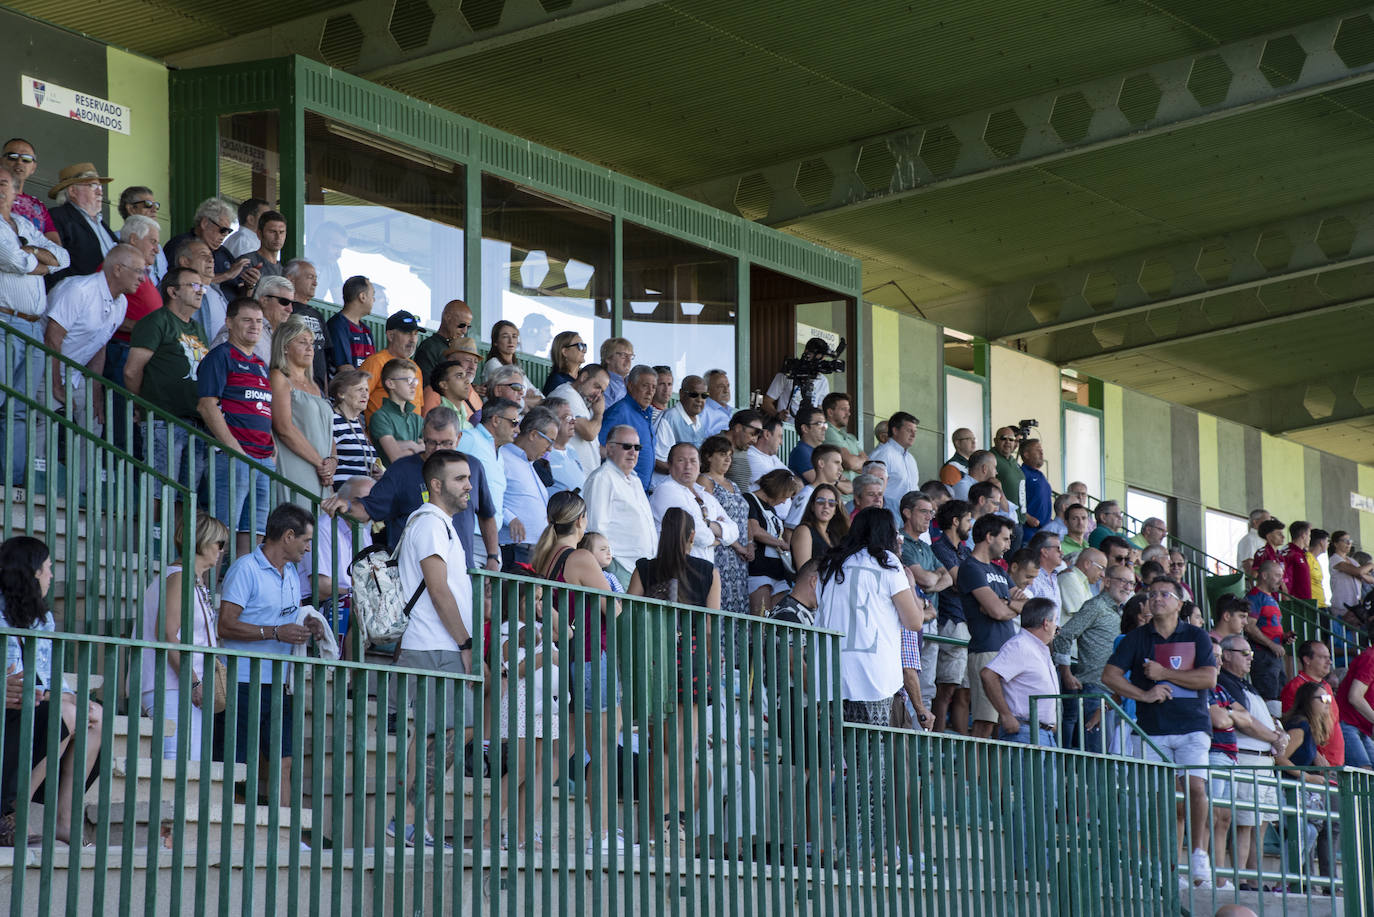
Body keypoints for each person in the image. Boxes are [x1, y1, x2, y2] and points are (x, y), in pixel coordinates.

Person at [1102, 576, 1219, 889]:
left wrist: (1164, 673)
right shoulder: (1137, 637)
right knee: (1159, 800)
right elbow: (1109, 676)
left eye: (1164, 594)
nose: (1156, 599)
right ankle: (1165, 866)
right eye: (1151, 594)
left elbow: (1208, 678)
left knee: (1195, 787)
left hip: (1193, 725)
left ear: (1179, 603)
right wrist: (1144, 695)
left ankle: (1198, 854)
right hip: (1151, 729)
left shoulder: (1197, 635)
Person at [532, 491, 624, 853]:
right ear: (581, 520)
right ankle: (600, 836)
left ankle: (517, 829)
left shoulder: (546, 555)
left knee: (561, 752)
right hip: (589, 658)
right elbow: (612, 610)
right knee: (602, 749)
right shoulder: (581, 557)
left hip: (568, 659)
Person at [392, 451, 475, 847]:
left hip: (437, 644)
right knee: (437, 734)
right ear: (437, 485)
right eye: (460, 479)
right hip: (433, 644)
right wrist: (465, 642)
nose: (469, 486)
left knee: (448, 731)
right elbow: (438, 589)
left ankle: (411, 819)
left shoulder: (441, 525)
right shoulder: (428, 523)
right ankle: (407, 820)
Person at [216, 504, 325, 801]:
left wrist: (308, 622)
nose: (308, 548)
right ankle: (233, 834)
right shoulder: (245, 569)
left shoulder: (291, 571)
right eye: (306, 540)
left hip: (281, 682)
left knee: (284, 761)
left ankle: (286, 837)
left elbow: (285, 617)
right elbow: (225, 625)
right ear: (289, 536)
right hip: (241, 682)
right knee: (236, 763)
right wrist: (275, 632)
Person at [0, 535, 103, 846]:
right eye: (47, 568)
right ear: (31, 573)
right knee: (66, 712)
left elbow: (47, 677)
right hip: (8, 709)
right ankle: (12, 814)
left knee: (92, 713)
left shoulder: (40, 617)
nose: (51, 575)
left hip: (27, 704)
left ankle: (64, 821)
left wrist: (67, 694)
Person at [627, 507, 720, 842]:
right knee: (682, 747)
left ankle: (657, 825)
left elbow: (630, 617)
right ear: (692, 536)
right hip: (692, 661)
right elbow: (710, 627)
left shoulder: (644, 569)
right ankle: (673, 820)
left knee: (661, 748)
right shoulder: (708, 571)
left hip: (654, 661)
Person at [324, 406, 498, 570]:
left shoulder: (473, 467)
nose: (438, 450)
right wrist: (346, 505)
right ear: (423, 436)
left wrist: (492, 557)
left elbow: (487, 514)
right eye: (431, 443)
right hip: (411, 574)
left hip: (461, 569)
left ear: (459, 438)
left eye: (446, 443)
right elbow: (368, 508)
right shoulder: (402, 470)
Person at [816, 505, 927, 726]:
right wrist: (912, 585)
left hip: (829, 672)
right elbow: (914, 622)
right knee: (871, 756)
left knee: (837, 754)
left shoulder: (830, 562)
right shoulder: (887, 561)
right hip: (873, 674)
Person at [139, 512, 229, 759]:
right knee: (179, 765)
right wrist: (194, 682)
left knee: (190, 766)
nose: (222, 550)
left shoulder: (190, 578)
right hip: (171, 686)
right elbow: (167, 634)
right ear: (203, 541)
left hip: (182, 686)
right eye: (220, 544)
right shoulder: (179, 577)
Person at [0, 167, 68, 483]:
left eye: (4, 184)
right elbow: (15, 260)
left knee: (20, 409)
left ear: (16, 192)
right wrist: (40, 263)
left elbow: (63, 257)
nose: (1, 189)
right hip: (3, 323)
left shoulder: (24, 223)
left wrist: (33, 254)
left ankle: (10, 479)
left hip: (31, 328)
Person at [197, 297, 276, 555]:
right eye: (247, 320)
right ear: (229, 322)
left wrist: (271, 447)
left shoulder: (262, 365)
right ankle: (206, 591)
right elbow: (207, 405)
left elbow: (263, 408)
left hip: (263, 458)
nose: (254, 326)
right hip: (235, 455)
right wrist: (233, 448)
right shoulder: (220, 356)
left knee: (254, 532)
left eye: (259, 322)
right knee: (222, 530)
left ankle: (237, 592)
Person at [42, 244, 144, 435]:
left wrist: (95, 394)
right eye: (138, 271)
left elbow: (100, 346)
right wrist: (55, 385)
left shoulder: (121, 303)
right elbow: (52, 339)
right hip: (44, 371)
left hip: (75, 375)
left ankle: (84, 467)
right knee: (45, 427)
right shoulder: (79, 290)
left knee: (93, 423)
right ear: (118, 269)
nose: (143, 278)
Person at [1216, 633, 1289, 890]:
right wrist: (1274, 737)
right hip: (1248, 757)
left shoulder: (1245, 683)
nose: (1251, 659)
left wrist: (1277, 733)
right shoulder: (1226, 681)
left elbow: (1259, 716)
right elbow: (1243, 720)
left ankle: (1255, 880)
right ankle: (1243, 881)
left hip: (1264, 760)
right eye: (1245, 653)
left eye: (1251, 654)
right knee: (1245, 824)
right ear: (1226, 656)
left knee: (1259, 824)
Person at [125, 267, 211, 486]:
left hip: (196, 422)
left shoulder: (198, 329)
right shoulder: (156, 321)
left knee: (187, 494)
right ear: (173, 292)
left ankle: (178, 523)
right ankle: (154, 523)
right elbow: (132, 371)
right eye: (193, 285)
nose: (200, 291)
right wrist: (140, 405)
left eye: (202, 286)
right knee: (159, 488)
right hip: (164, 420)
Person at [1055, 563, 1132, 751]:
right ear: (1106, 581)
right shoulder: (1095, 606)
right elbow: (1064, 635)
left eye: (1131, 583)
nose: (1128, 587)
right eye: (1123, 581)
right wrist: (1066, 673)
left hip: (1116, 696)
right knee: (1097, 760)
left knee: (1109, 760)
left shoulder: (1123, 612)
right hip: (1095, 691)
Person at [961, 515, 1026, 738]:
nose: (1008, 545)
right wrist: (1006, 607)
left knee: (1002, 725)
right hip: (986, 649)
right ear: (989, 537)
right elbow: (997, 612)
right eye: (1005, 539)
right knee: (985, 722)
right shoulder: (971, 567)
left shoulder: (999, 572)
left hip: (1007, 650)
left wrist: (1005, 604)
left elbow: (1026, 605)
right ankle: (974, 773)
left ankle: (994, 774)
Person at [299, 476, 373, 648]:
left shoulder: (363, 531)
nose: (367, 507)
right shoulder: (323, 527)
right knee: (361, 608)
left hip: (348, 598)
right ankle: (348, 673)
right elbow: (322, 588)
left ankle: (351, 672)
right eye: (362, 501)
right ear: (344, 502)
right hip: (317, 602)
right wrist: (359, 594)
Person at [270, 317, 336, 507]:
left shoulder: (315, 385)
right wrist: (320, 464)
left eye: (312, 343)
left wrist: (332, 461)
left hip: (322, 471)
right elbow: (283, 427)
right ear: (284, 347)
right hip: (297, 464)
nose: (310, 348)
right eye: (302, 342)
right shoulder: (279, 377)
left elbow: (328, 431)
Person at [899, 492, 953, 718]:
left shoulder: (925, 546)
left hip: (930, 623)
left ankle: (923, 736)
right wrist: (933, 580)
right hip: (911, 623)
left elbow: (948, 577)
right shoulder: (901, 542)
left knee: (927, 685)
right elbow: (925, 579)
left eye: (931, 512)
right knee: (909, 682)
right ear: (907, 512)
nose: (929, 517)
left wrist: (932, 583)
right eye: (924, 511)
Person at [983, 597, 1060, 746]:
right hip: (1024, 732)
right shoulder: (1019, 645)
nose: (1057, 627)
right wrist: (1006, 715)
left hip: (1042, 733)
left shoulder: (1037, 647)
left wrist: (1050, 721)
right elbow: (988, 674)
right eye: (1055, 621)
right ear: (1046, 623)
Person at [650, 442, 739, 563]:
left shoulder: (706, 496)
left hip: (704, 569)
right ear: (670, 465)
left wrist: (707, 524)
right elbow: (696, 532)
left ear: (700, 465)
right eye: (681, 460)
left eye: (693, 461)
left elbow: (734, 531)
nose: (688, 466)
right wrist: (717, 538)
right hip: (675, 569)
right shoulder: (666, 490)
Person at [458, 397, 519, 562]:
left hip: (489, 539)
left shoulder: (498, 451)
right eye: (514, 422)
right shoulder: (470, 438)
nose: (517, 429)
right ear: (496, 420)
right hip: (469, 534)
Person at [697, 435, 752, 619]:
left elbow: (744, 518)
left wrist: (750, 545)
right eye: (722, 454)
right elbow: (709, 519)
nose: (728, 459)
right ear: (708, 456)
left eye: (730, 455)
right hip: (722, 552)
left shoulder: (734, 485)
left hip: (740, 558)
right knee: (721, 604)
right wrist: (738, 546)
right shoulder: (704, 481)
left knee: (739, 606)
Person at [930, 499, 972, 734]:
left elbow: (975, 581)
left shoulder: (965, 551)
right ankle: (935, 739)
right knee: (945, 689)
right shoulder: (940, 548)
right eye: (967, 520)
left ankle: (961, 742)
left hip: (966, 621)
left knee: (964, 691)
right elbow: (962, 581)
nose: (970, 525)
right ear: (955, 522)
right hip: (951, 621)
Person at [498, 407, 558, 566]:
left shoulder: (531, 464)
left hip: (535, 551)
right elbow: (489, 495)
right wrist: (510, 518)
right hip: (513, 548)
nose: (550, 448)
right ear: (533, 435)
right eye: (549, 441)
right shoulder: (502, 456)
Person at [46, 162, 118, 287]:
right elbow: (54, 265)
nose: (100, 192)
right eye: (93, 185)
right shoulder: (58, 217)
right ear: (73, 191)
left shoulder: (101, 224)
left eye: (100, 186)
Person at [162, 197, 249, 292]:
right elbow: (177, 285)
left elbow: (239, 289)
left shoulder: (224, 252)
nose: (225, 235)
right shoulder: (180, 245)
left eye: (229, 231)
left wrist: (250, 285)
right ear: (205, 223)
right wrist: (226, 276)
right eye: (223, 230)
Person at [744, 469, 800, 614]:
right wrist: (780, 543)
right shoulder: (750, 499)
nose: (784, 501)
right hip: (759, 571)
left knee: (779, 619)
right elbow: (755, 530)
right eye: (784, 497)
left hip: (778, 572)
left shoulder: (772, 509)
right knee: (761, 619)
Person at [1280, 640, 1343, 766]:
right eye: (1322, 657)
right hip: (1316, 765)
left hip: (1336, 759)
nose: (1329, 662)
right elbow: (1295, 725)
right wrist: (1316, 755)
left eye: (1329, 658)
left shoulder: (1326, 686)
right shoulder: (1295, 687)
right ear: (1307, 660)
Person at [599, 364, 657, 491]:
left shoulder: (646, 414)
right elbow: (599, 448)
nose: (650, 392)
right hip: (621, 490)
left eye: (653, 387)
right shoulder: (620, 411)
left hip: (640, 492)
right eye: (645, 386)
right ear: (630, 386)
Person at [360, 310, 424, 421]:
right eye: (407, 333)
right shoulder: (376, 362)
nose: (413, 339)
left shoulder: (416, 368)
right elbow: (355, 400)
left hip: (412, 436)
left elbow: (419, 407)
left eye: (415, 334)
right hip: (381, 434)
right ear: (390, 335)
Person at [549, 362, 608, 477]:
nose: (598, 395)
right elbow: (589, 433)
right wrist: (599, 414)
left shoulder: (582, 400)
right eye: (597, 387)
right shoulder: (566, 394)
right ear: (584, 377)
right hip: (568, 477)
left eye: (602, 391)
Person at [652, 374, 710, 489]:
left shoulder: (700, 422)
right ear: (682, 394)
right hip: (665, 488)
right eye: (694, 395)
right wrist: (686, 473)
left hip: (688, 488)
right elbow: (655, 460)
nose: (699, 400)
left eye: (704, 396)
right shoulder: (670, 418)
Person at [328, 367, 381, 486]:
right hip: (341, 496)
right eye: (359, 389)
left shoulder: (357, 423)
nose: (365, 395)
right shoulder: (332, 420)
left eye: (367, 390)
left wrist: (378, 472)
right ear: (341, 394)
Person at [368, 358, 424, 467]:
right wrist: (415, 445)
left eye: (415, 381)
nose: (414, 385)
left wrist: (405, 446)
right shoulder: (380, 417)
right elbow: (396, 458)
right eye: (408, 380)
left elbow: (429, 453)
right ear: (390, 383)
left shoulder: (417, 419)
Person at [1245, 560, 1287, 702]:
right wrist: (1271, 644)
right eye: (1277, 575)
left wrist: (1284, 637)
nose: (1281, 580)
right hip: (1263, 656)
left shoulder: (1272, 598)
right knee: (1269, 698)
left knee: (1279, 697)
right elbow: (1249, 626)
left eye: (1281, 576)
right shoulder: (1254, 597)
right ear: (1264, 575)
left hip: (1274, 655)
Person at [171, 237, 229, 342]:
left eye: (211, 256)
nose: (211, 259)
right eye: (203, 255)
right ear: (185, 261)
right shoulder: (181, 288)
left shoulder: (215, 289)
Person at [761, 337, 833, 420]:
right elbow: (766, 402)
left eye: (823, 358)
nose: (821, 361)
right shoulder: (787, 374)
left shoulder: (823, 381)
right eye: (819, 357)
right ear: (807, 353)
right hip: (787, 429)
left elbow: (821, 409)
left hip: (809, 431)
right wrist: (777, 415)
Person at [3, 139, 59, 244]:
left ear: (33, 168)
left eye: (26, 159)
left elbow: (56, 246)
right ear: (1, 162)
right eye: (12, 157)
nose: (19, 162)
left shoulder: (39, 206)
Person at [324, 275, 376, 373]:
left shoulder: (366, 331)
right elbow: (345, 369)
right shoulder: (337, 325)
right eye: (372, 295)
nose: (374, 300)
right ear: (362, 297)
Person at [413, 299, 473, 384]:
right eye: (462, 325)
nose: (465, 331)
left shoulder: (456, 349)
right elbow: (426, 385)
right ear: (447, 317)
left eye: (468, 327)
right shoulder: (429, 347)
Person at [789, 483, 847, 571]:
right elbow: (804, 572)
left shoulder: (833, 534)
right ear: (812, 506)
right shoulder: (804, 530)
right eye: (821, 501)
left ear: (835, 510)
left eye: (831, 503)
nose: (826, 506)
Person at [1336, 644, 1374, 768]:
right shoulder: (1370, 658)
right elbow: (1355, 697)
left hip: (1361, 728)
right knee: (1364, 774)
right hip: (1347, 723)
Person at [870, 411, 921, 504]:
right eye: (909, 430)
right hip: (888, 514)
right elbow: (871, 489)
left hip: (909, 515)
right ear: (895, 431)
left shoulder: (911, 459)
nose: (913, 435)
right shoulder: (883, 454)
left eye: (915, 431)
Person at [541, 396, 587, 495]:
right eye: (567, 417)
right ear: (550, 421)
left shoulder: (571, 450)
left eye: (573, 417)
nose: (573, 421)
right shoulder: (542, 452)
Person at [820, 392, 867, 476]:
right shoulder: (827, 431)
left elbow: (868, 466)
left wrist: (855, 462)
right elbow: (849, 462)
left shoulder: (851, 437)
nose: (848, 413)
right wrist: (859, 460)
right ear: (830, 412)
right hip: (839, 488)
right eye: (843, 409)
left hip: (855, 488)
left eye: (848, 410)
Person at [1020, 439, 1052, 537]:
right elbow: (1014, 500)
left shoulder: (1040, 475)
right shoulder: (1022, 474)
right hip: (1030, 532)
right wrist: (1027, 517)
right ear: (1026, 454)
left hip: (1044, 530)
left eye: (1041, 450)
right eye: (1037, 450)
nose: (1041, 452)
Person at [542, 329, 587, 395]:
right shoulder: (557, 380)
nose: (584, 350)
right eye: (580, 346)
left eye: (584, 346)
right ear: (565, 352)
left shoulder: (584, 377)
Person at [1282, 521, 1314, 602]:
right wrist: (1287, 596)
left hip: (1305, 601)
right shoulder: (1289, 553)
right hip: (1294, 602)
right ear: (1303, 535)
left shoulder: (1301, 553)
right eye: (1309, 535)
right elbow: (1282, 576)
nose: (1310, 538)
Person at [598, 336, 634, 407]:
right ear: (608, 358)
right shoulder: (603, 384)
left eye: (630, 356)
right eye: (624, 355)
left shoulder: (632, 382)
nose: (628, 361)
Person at [1237, 509, 1271, 577]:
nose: (1269, 524)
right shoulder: (1249, 539)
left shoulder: (1263, 540)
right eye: (1267, 521)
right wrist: (1255, 585)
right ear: (1255, 522)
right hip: (1253, 583)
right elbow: (1248, 565)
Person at [700, 369, 733, 436]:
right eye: (721, 386)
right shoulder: (702, 411)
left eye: (728, 386)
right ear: (707, 390)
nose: (726, 390)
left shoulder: (731, 411)